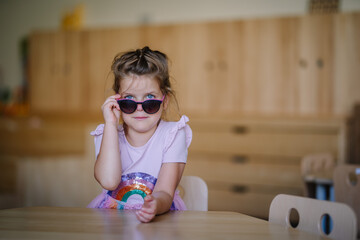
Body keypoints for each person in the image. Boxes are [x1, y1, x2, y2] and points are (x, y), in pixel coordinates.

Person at [87, 46, 192, 223]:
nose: (140, 109)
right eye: (129, 101)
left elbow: (165, 192)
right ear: (117, 101)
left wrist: (154, 205)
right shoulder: (107, 133)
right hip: (112, 218)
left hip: (159, 216)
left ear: (164, 101)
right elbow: (109, 182)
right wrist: (111, 124)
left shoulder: (173, 134)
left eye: (150, 100)